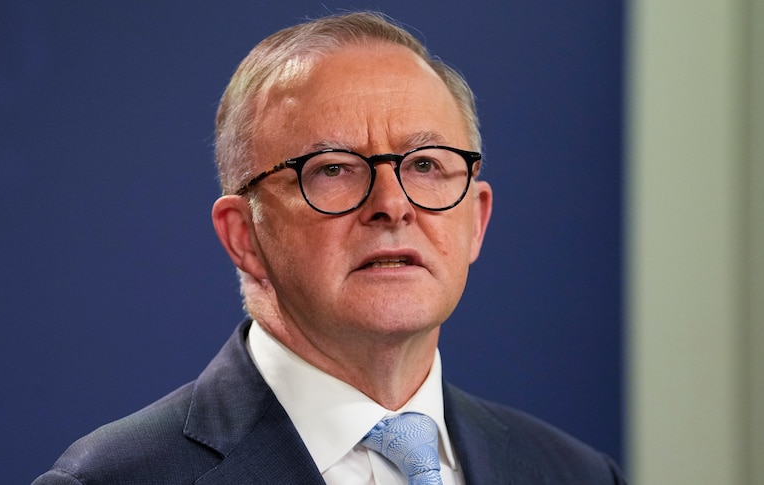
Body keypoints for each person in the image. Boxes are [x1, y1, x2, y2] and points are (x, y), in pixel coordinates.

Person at [34, 11, 626, 485]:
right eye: (334, 169)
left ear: (476, 219)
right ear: (245, 235)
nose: (393, 203)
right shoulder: (114, 479)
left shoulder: (575, 473)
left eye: (425, 165)